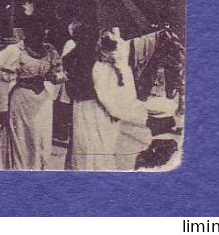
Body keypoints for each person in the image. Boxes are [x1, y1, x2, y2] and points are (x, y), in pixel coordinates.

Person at [66, 28, 169, 170]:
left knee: (91, 148)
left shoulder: (104, 65)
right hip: (97, 110)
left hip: (88, 108)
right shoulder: (102, 66)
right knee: (97, 149)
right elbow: (109, 98)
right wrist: (122, 112)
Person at [0, 20, 66, 170]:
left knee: (39, 140)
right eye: (35, 32)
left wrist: (59, 76)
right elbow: (3, 82)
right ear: (26, 34)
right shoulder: (16, 51)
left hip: (43, 102)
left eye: (42, 32)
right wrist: (3, 109)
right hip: (21, 101)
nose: (39, 36)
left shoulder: (50, 51)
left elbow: (57, 78)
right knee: (21, 140)